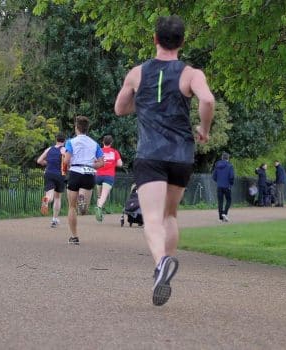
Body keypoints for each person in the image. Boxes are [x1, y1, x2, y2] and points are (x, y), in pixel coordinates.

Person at [114, 15, 215, 307]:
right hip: (181, 155)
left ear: (155, 39)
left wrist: (141, 102)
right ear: (182, 42)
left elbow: (120, 108)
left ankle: (161, 264)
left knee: (152, 218)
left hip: (150, 154)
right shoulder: (191, 74)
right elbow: (207, 101)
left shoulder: (137, 73)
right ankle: (166, 265)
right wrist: (204, 130)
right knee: (170, 216)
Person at [63, 116, 105, 245]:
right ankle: (82, 198)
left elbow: (66, 160)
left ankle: (74, 237)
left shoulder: (71, 142)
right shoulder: (95, 144)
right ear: (87, 129)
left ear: (76, 128)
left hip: (75, 172)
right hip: (88, 173)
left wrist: (67, 163)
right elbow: (101, 163)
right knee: (84, 210)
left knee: (71, 207)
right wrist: (91, 165)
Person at [37, 133, 67, 228]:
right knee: (57, 198)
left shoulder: (49, 149)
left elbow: (39, 161)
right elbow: (67, 162)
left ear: (56, 140)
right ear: (64, 141)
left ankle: (46, 200)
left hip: (48, 173)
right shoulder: (64, 150)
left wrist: (48, 163)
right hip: (59, 174)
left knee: (49, 196)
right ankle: (54, 219)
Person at [94, 135, 123, 222]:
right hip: (109, 176)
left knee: (99, 195)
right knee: (104, 195)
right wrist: (113, 163)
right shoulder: (114, 152)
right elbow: (120, 164)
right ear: (111, 143)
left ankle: (99, 215)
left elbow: (94, 161)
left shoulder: (99, 151)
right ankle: (99, 207)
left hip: (98, 176)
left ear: (103, 142)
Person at [212, 152, 234, 222]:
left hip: (219, 186)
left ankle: (220, 218)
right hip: (227, 186)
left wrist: (219, 182)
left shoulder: (217, 165)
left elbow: (214, 176)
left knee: (220, 202)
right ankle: (224, 213)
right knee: (229, 200)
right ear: (228, 158)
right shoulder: (230, 165)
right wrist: (231, 184)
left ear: (222, 157)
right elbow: (231, 176)